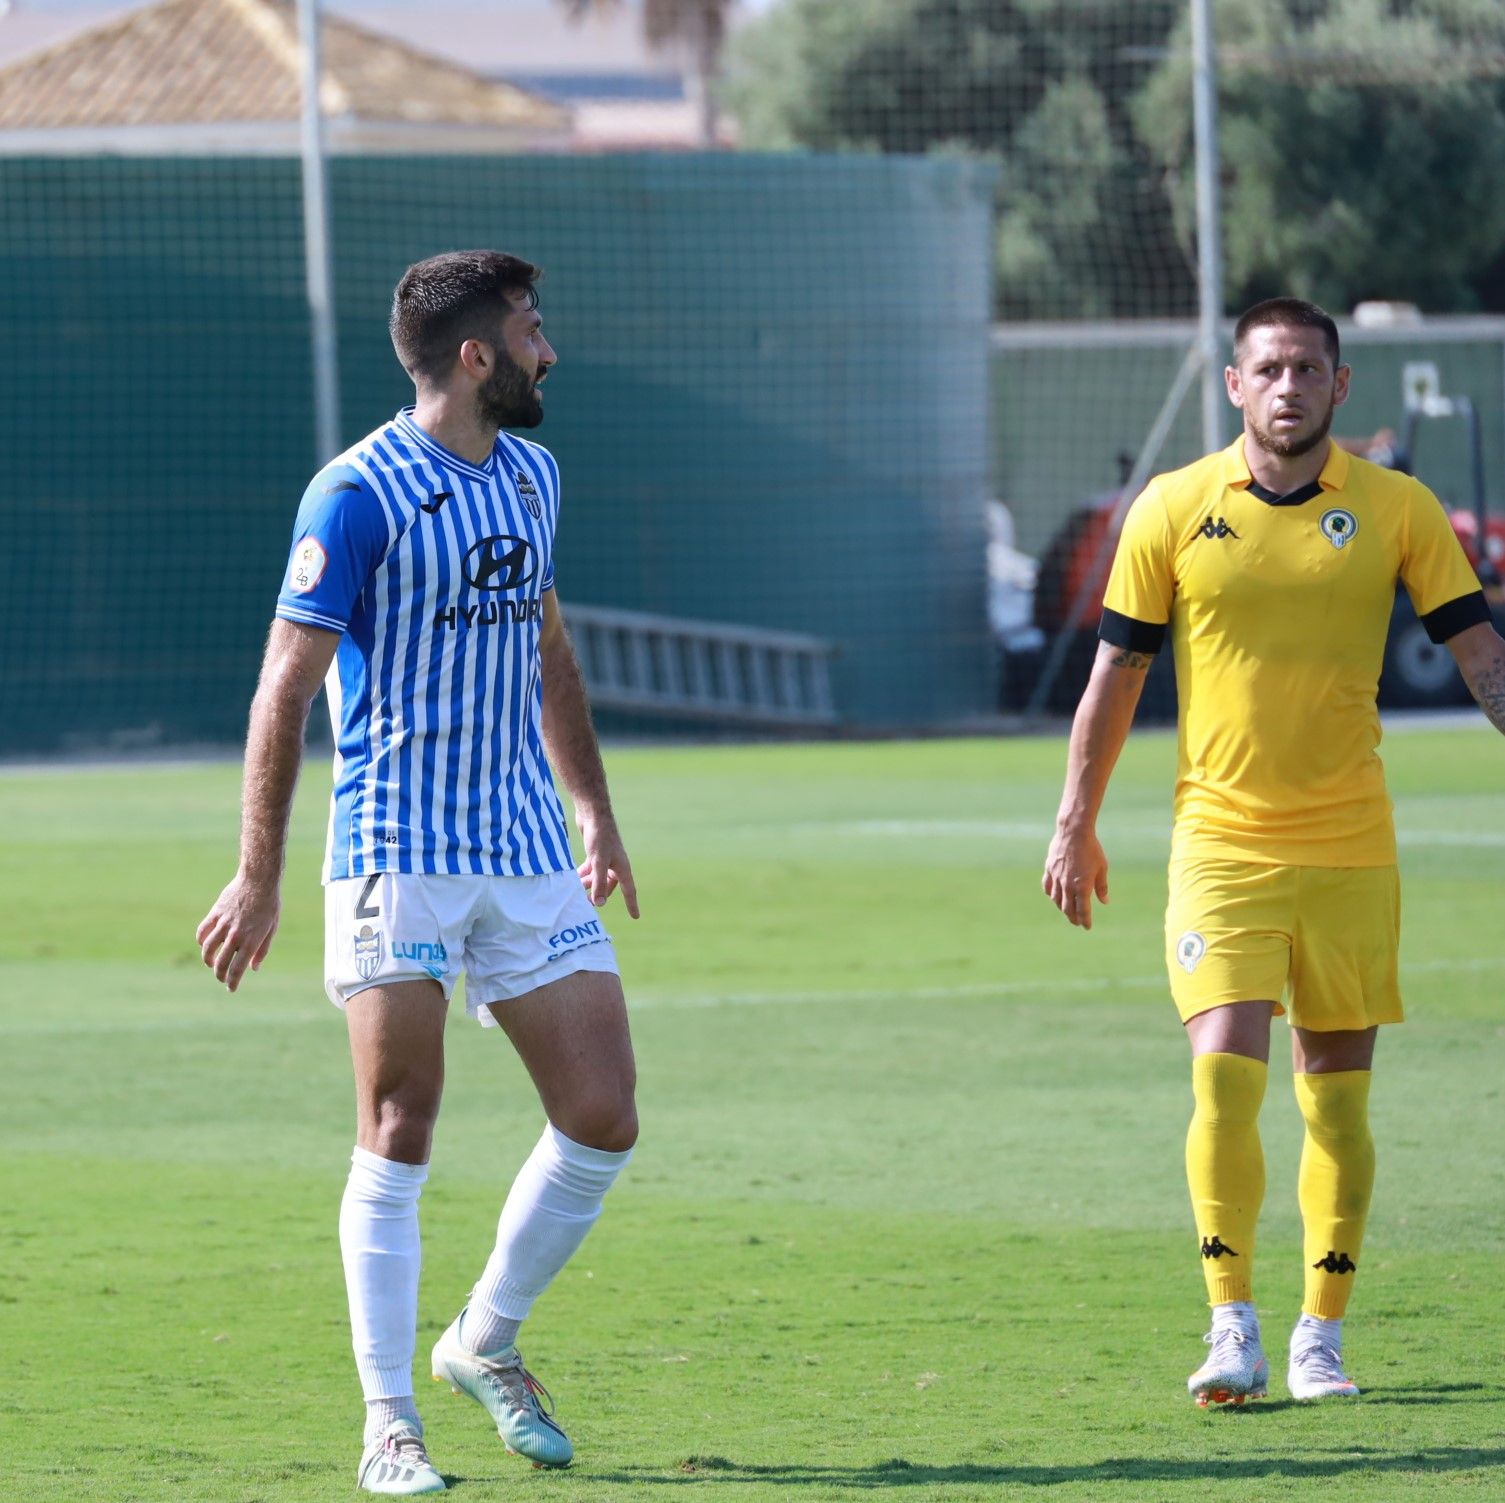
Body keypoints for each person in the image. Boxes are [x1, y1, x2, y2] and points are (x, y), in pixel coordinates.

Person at [197, 250, 640, 1494]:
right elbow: (283, 691)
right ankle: (387, 1424)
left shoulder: (537, 476)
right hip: (393, 854)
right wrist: (259, 875)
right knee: (398, 1130)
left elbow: (548, 653)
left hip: (523, 852)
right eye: (534, 333)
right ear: (476, 356)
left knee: (602, 1117)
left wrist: (592, 808)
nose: (551, 351)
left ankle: (482, 1342)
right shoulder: (354, 496)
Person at [1042, 297, 1505, 1408]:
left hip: (1350, 849)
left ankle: (1319, 1337)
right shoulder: (1171, 508)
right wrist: (1073, 820)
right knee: (1220, 1078)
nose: (1288, 385)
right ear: (1234, 386)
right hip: (1218, 845)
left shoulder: (1398, 509)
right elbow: (1115, 677)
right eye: (1268, 368)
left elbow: (1479, 655)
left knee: (1334, 1110)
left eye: (1307, 368)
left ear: (1339, 388)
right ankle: (1230, 1326)